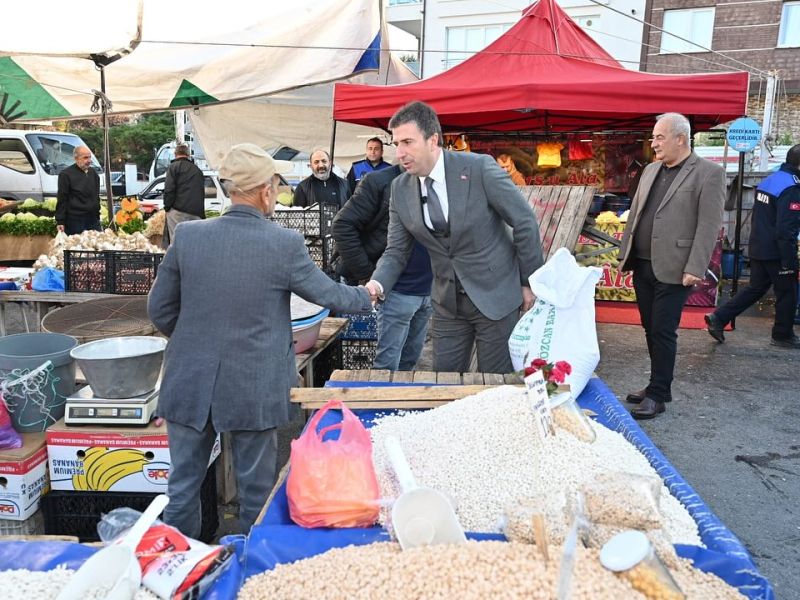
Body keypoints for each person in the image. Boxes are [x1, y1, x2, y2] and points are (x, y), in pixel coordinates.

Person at [148, 143, 372, 537]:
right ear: (266, 191)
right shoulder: (283, 243)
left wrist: (194, 339)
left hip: (189, 379)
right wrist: (368, 294)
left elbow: (160, 310)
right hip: (252, 384)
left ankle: (181, 565)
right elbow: (329, 295)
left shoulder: (188, 235)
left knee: (182, 488)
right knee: (256, 493)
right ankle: (250, 562)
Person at [364, 101, 543, 374]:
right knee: (445, 381)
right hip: (447, 304)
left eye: (408, 142)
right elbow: (396, 251)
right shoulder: (399, 189)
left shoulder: (479, 169)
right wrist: (376, 284)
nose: (399, 153)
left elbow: (524, 221)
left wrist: (528, 282)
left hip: (497, 296)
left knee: (494, 384)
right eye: (396, 143)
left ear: (433, 140)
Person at [618, 113, 725, 420]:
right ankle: (657, 385)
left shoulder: (709, 173)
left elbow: (709, 225)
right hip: (643, 264)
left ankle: (658, 394)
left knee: (663, 330)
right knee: (650, 327)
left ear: (681, 138)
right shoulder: (651, 169)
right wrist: (625, 252)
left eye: (659, 137)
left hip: (676, 267)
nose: (654, 144)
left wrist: (696, 266)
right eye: (653, 137)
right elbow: (636, 213)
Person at [333, 165, 434, 371]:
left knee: (410, 362)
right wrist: (368, 273)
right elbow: (342, 225)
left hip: (428, 289)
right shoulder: (379, 181)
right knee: (386, 368)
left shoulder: (439, 182)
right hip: (396, 291)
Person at [705, 144, 800, 349]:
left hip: (758, 245)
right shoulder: (792, 186)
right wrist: (789, 261)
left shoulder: (771, 180)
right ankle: (782, 335)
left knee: (756, 289)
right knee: (788, 292)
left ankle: (719, 318)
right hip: (777, 251)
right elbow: (786, 229)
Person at [162, 143, 205, 248]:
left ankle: (178, 259)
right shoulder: (197, 170)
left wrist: (167, 207)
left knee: (177, 242)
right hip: (196, 213)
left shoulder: (173, 167)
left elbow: (169, 189)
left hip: (178, 211)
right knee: (194, 243)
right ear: (188, 155)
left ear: (175, 154)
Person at [55, 145, 101, 235]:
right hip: (75, 221)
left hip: (93, 220)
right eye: (85, 158)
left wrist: (97, 214)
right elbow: (62, 199)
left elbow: (96, 196)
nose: (89, 161)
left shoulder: (93, 173)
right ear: (76, 159)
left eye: (90, 157)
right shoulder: (66, 175)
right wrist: (60, 220)